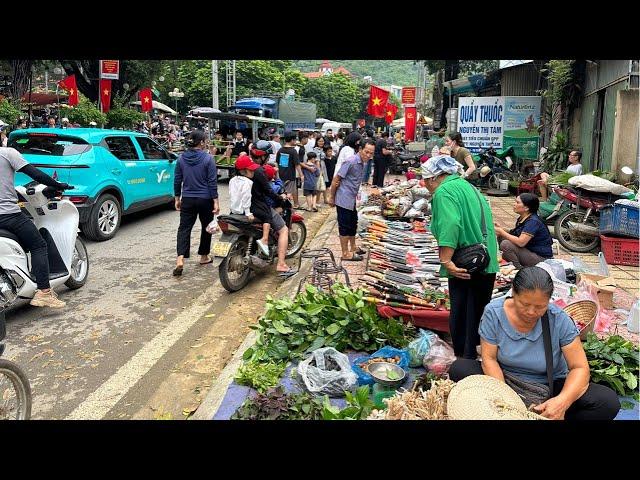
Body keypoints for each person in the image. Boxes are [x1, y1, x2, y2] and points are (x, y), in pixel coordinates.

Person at [449, 267, 620, 420]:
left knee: (607, 402)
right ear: (513, 293)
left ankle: (550, 414)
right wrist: (505, 400)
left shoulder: (558, 319)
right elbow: (489, 359)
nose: (531, 312)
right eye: (524, 304)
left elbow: (580, 368)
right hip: (505, 379)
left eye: (540, 306)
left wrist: (561, 402)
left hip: (549, 386)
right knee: (460, 368)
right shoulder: (494, 313)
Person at [422, 155, 499, 359]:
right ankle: (475, 357)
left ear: (432, 178)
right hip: (485, 262)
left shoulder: (444, 192)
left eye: (424, 180)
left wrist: (446, 261)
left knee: (463, 318)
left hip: (466, 266)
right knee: (477, 316)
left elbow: (450, 226)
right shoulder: (469, 187)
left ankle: (464, 366)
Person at [0, 146, 71, 308]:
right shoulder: (7, 153)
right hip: (8, 216)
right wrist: (58, 185)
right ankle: (44, 292)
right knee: (38, 245)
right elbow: (36, 174)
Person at [173, 131, 220, 276]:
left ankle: (180, 259)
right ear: (201, 142)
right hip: (205, 199)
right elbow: (212, 181)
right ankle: (204, 256)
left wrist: (177, 198)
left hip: (187, 198)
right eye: (205, 140)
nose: (206, 142)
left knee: (184, 228)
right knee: (207, 227)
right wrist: (216, 201)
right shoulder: (208, 158)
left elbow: (177, 180)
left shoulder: (181, 159)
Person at [249, 141, 297, 278]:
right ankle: (281, 264)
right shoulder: (259, 171)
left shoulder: (246, 167)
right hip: (260, 206)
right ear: (263, 156)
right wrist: (280, 197)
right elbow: (268, 191)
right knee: (283, 230)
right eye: (267, 156)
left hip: (243, 207)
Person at [328, 139, 375, 262]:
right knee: (344, 225)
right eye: (366, 152)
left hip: (351, 198)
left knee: (353, 223)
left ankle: (353, 247)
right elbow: (336, 179)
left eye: (371, 153)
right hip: (343, 198)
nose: (369, 155)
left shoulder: (362, 163)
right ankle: (345, 253)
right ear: (360, 150)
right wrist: (331, 197)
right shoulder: (351, 161)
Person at [494, 193, 554, 269]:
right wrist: (501, 229)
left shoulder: (533, 222)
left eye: (517, 202)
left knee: (506, 244)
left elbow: (521, 242)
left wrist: (502, 232)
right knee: (502, 237)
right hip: (529, 251)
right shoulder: (523, 218)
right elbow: (515, 232)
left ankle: (518, 269)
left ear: (526, 208)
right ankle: (510, 264)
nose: (514, 204)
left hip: (541, 258)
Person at [228, 155, 271, 256]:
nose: (253, 172)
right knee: (267, 216)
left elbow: (232, 196)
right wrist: (248, 213)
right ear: (243, 171)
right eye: (251, 170)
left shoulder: (232, 180)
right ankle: (264, 239)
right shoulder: (248, 182)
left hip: (234, 210)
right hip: (244, 211)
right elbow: (246, 198)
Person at [276, 131, 303, 210]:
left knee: (282, 192)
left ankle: (282, 207)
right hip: (290, 176)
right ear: (292, 140)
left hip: (281, 175)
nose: (295, 141)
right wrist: (301, 175)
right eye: (295, 140)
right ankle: (287, 209)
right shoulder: (293, 151)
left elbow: (277, 163)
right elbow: (297, 164)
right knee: (289, 193)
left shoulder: (280, 150)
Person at [312, 136, 328, 206]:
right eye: (320, 141)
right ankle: (317, 201)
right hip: (318, 167)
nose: (321, 142)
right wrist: (319, 170)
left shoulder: (323, 149)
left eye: (322, 141)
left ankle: (325, 199)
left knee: (323, 183)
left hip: (324, 167)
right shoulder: (315, 149)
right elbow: (316, 160)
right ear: (317, 142)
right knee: (318, 184)